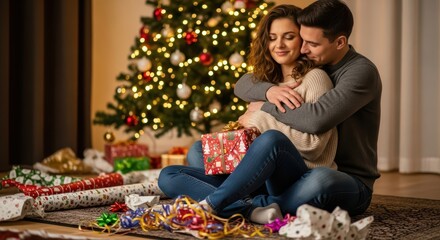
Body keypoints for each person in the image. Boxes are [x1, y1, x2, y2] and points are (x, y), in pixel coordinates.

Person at [158, 4, 338, 224]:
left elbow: (313, 145)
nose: (279, 45)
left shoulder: (316, 78)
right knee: (173, 170)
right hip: (259, 175)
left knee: (271, 139)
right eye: (272, 38)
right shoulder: (266, 84)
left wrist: (259, 118)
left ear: (301, 40)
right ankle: (251, 209)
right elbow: (243, 85)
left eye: (288, 37)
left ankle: (211, 205)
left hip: (294, 174)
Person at [234, 0, 382, 217]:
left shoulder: (359, 72)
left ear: (339, 42)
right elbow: (243, 83)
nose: (303, 49)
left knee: (321, 180)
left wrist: (265, 107)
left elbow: (316, 119)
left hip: (348, 179)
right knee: (196, 156)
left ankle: (246, 204)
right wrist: (269, 91)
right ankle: (254, 204)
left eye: (310, 43)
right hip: (301, 169)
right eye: (302, 40)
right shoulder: (314, 58)